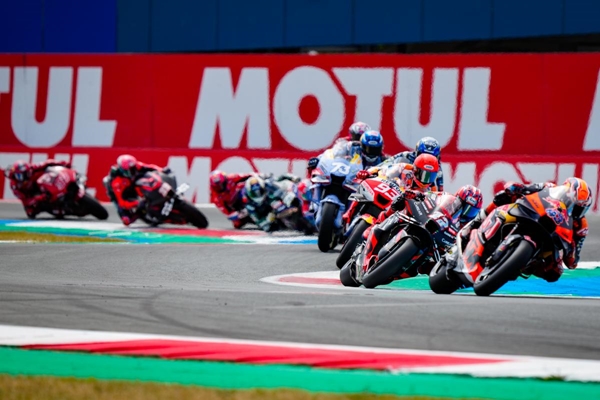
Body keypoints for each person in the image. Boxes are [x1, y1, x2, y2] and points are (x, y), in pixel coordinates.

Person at [457, 178, 592, 282]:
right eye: (576, 205)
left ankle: (521, 264)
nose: (577, 210)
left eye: (581, 208)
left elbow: (573, 262)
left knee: (555, 273)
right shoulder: (550, 188)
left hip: (551, 239)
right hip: (531, 216)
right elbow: (527, 188)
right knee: (502, 197)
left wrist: (571, 248)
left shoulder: (581, 226)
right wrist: (517, 188)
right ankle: (475, 223)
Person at [361, 184, 484, 280]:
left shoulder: (467, 227)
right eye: (465, 207)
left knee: (426, 268)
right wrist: (415, 195)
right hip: (423, 221)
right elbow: (428, 195)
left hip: (436, 242)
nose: (466, 213)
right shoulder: (444, 197)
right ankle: (376, 227)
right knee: (397, 208)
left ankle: (392, 273)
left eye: (471, 211)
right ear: (457, 198)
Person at [210, 170, 299, 229]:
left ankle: (286, 184)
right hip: (238, 208)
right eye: (218, 187)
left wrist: (260, 176)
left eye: (222, 184)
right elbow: (228, 214)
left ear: (225, 179)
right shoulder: (216, 198)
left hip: (246, 193)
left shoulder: (231, 178)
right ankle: (264, 221)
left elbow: (248, 175)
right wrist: (241, 213)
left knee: (267, 182)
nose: (221, 187)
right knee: (238, 224)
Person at [103, 154, 167, 226]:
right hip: (120, 194)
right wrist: (137, 203)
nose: (134, 171)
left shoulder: (135, 166)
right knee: (126, 220)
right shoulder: (117, 182)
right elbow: (122, 202)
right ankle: (137, 214)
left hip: (130, 184)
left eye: (133, 168)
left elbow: (149, 167)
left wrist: (162, 170)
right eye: (131, 170)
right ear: (123, 170)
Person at [243, 175, 311, 233]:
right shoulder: (249, 205)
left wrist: (290, 199)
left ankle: (306, 212)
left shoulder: (269, 185)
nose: (258, 195)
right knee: (269, 227)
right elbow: (260, 223)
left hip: (282, 206)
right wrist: (268, 219)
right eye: (254, 193)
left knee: (293, 199)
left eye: (260, 191)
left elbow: (282, 192)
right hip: (272, 218)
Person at [5, 159, 72, 218]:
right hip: (31, 195)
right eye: (20, 176)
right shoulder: (15, 186)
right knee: (30, 212)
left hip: (41, 185)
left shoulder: (32, 168)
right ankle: (57, 210)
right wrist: (40, 197)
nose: (24, 178)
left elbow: (47, 162)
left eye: (26, 174)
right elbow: (26, 200)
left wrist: (62, 163)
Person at [306, 121, 371, 172]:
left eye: (362, 137)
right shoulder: (344, 142)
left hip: (363, 174)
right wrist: (318, 159)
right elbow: (332, 152)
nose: (359, 139)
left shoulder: (371, 147)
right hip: (343, 170)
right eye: (357, 136)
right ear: (351, 134)